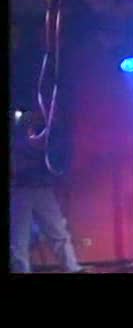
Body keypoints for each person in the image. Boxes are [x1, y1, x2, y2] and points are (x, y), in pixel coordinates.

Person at [10, 108, 86, 273]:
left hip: (42, 189)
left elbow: (49, 152)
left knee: (58, 232)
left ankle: (72, 268)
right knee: (18, 239)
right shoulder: (18, 141)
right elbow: (29, 149)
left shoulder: (42, 139)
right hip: (19, 191)